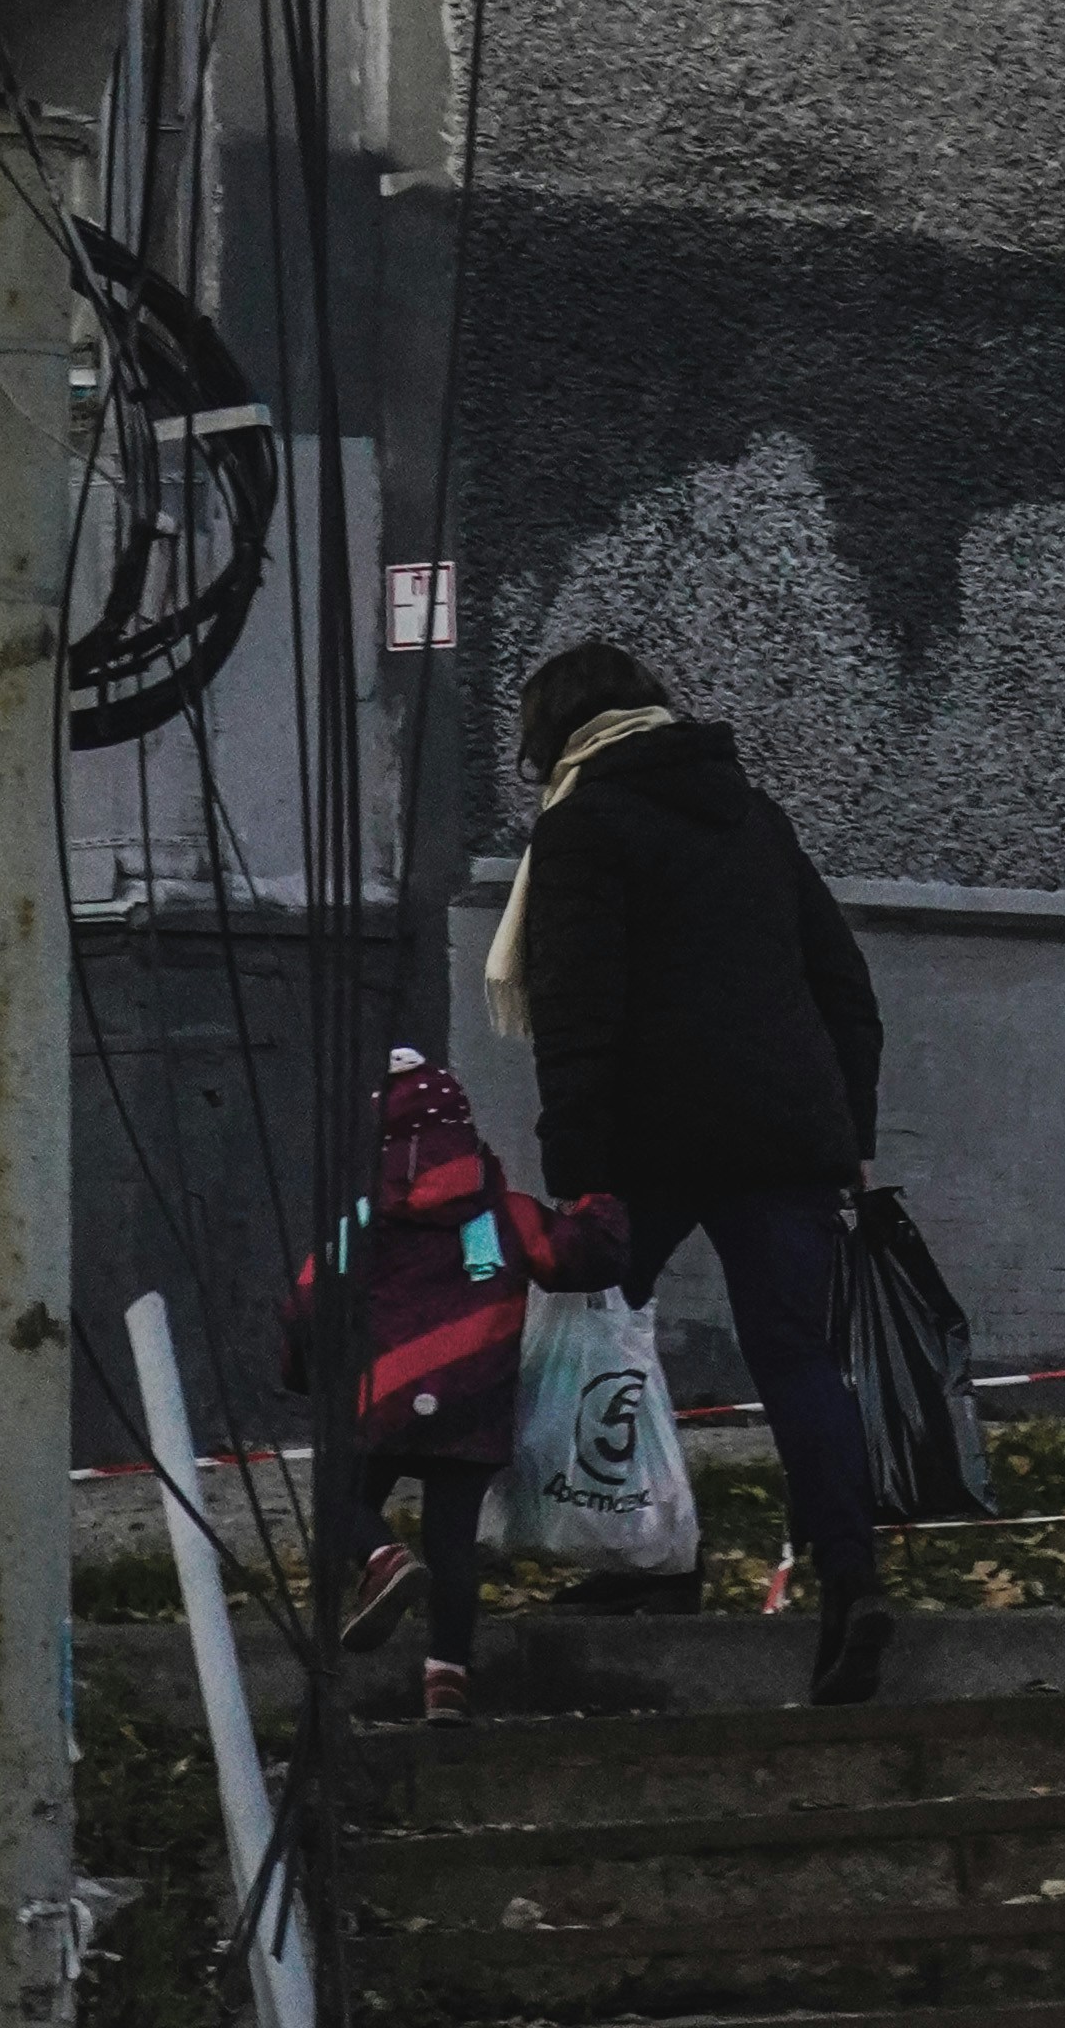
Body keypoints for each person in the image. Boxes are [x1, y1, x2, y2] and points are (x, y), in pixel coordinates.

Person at [487, 637, 895, 1701]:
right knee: (798, 1361)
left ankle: (648, 1562)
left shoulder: (583, 829)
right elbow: (843, 984)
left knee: (605, 1336)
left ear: (555, 738)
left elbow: (577, 1014)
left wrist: (575, 1169)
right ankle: (854, 1583)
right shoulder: (757, 822)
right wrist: (850, 1126)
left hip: (653, 1143)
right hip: (784, 1136)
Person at [279, 1044, 624, 1724]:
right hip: (473, 1401)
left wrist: (303, 1377)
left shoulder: (362, 1224)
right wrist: (600, 1198)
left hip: (381, 1400)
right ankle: (447, 1683)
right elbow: (585, 1255)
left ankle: (378, 1563)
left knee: (342, 1497)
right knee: (452, 1542)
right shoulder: (509, 1216)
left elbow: (307, 1306)